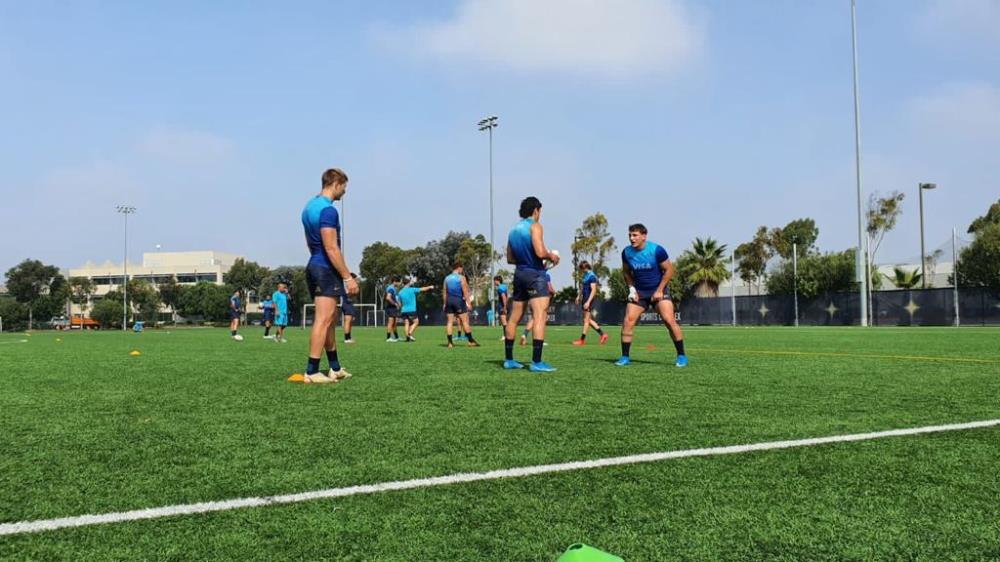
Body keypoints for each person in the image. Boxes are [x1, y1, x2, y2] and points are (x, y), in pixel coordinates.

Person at [300, 167, 360, 383]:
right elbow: (331, 247)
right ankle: (312, 371)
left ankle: (334, 367)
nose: (344, 192)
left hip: (315, 265)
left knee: (330, 320)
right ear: (336, 184)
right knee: (324, 319)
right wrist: (347, 277)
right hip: (325, 268)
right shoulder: (328, 210)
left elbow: (311, 243)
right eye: (344, 187)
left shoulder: (309, 207)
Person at [616, 223, 687, 368]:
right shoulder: (626, 253)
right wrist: (632, 289)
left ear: (644, 236)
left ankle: (681, 355)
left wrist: (660, 290)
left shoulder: (657, 250)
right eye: (630, 235)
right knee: (628, 321)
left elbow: (669, 270)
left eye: (635, 235)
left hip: (658, 290)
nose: (631, 238)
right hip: (639, 293)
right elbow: (626, 272)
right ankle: (625, 357)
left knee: (669, 320)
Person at [503, 196, 559, 372]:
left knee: (514, 318)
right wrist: (552, 256)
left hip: (519, 274)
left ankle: (509, 360)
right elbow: (540, 252)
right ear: (536, 210)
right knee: (540, 315)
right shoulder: (535, 226)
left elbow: (510, 258)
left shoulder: (513, 230)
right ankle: (536, 362)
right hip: (535, 275)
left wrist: (525, 260)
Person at [572, 260, 608, 346]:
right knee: (587, 320)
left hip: (588, 299)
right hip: (585, 299)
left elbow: (594, 290)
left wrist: (588, 302)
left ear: (585, 268)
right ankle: (603, 334)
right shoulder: (585, 275)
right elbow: (582, 287)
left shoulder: (592, 276)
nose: (580, 270)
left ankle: (582, 340)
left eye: (581, 269)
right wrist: (578, 296)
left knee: (586, 320)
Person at [443, 264, 479, 348]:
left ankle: (450, 343)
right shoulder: (461, 278)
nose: (462, 271)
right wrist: (469, 303)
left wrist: (444, 303)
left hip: (449, 301)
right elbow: (465, 291)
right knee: (465, 321)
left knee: (449, 322)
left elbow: (445, 292)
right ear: (459, 268)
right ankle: (471, 341)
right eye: (462, 269)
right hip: (458, 301)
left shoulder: (446, 278)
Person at [519, 271, 555, 347]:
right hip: (541, 299)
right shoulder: (545, 275)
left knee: (534, 318)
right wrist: (553, 293)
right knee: (542, 318)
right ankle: (540, 340)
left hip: (532, 298)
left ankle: (525, 334)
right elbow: (550, 289)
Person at [341, 273, 358, 343]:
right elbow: (349, 294)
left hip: (349, 304)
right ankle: (346, 339)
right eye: (355, 279)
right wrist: (354, 292)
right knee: (348, 321)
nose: (356, 281)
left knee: (350, 321)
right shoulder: (347, 285)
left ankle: (349, 337)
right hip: (346, 303)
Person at [384, 277, 401, 342]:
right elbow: (388, 298)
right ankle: (388, 338)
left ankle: (396, 337)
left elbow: (395, 298)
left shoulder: (394, 288)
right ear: (394, 282)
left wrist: (398, 304)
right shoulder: (391, 288)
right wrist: (395, 304)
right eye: (399, 282)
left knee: (394, 323)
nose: (399, 284)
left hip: (393, 308)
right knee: (391, 322)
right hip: (390, 308)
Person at [494, 275, 509, 339]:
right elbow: (507, 297)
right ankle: (507, 335)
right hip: (504, 305)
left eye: (494, 281)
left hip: (502, 306)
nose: (494, 282)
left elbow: (504, 297)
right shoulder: (504, 286)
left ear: (497, 281)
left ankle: (505, 336)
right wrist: (506, 305)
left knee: (504, 322)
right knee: (505, 321)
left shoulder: (500, 288)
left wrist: (504, 307)